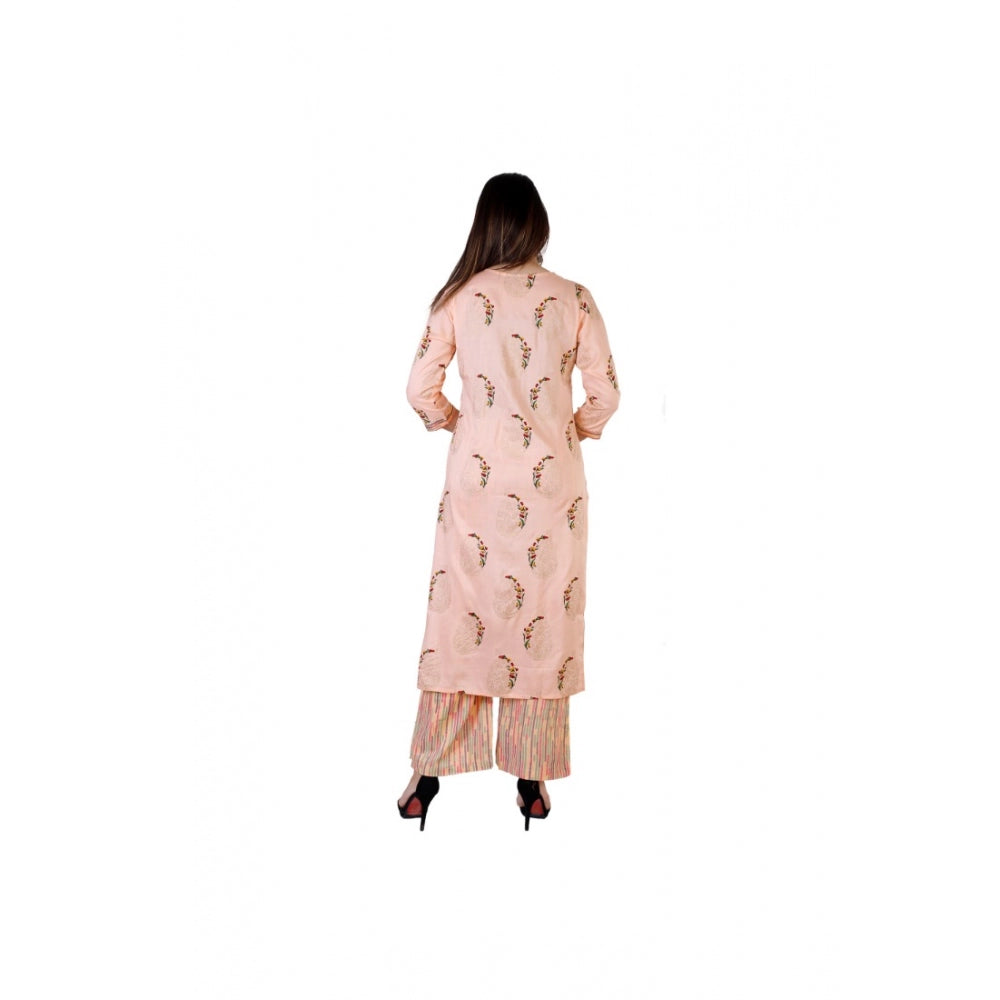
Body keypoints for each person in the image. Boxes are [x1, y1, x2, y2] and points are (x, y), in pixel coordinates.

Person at [397, 172, 620, 831]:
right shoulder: (574, 298)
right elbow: (606, 394)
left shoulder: (459, 298)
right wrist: (572, 432)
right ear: (538, 225)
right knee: (542, 619)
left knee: (459, 617)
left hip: (478, 483)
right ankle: (531, 779)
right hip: (553, 490)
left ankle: (426, 777)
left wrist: (457, 423)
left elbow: (418, 389)